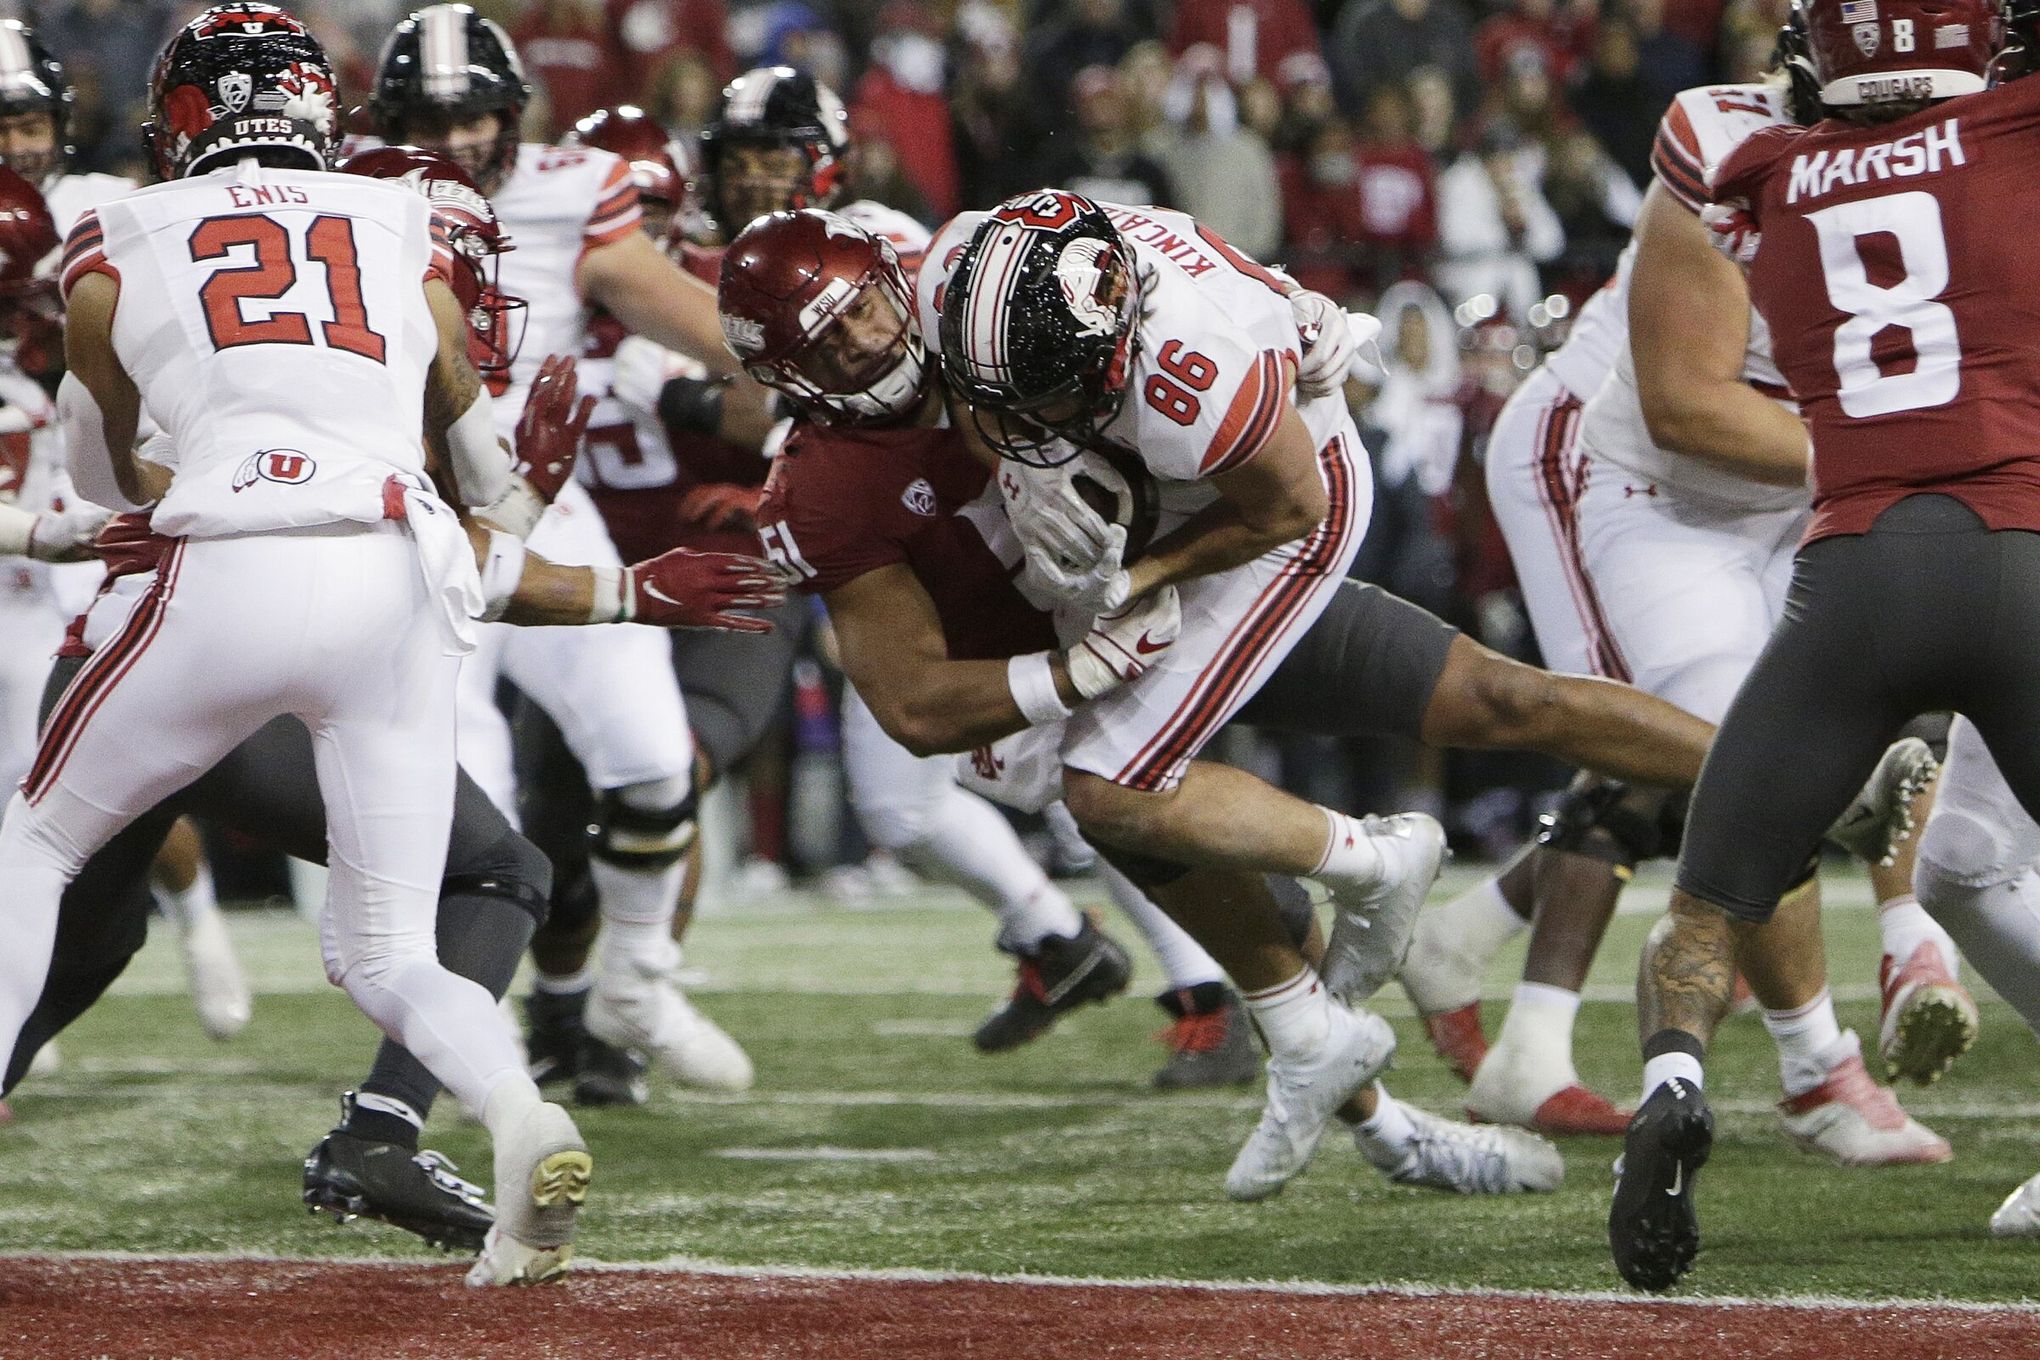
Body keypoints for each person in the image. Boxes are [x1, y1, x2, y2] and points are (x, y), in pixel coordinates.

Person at [728, 207, 1597, 1197]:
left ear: (896, 273)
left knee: (1471, 704)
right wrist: (1073, 673)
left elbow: (1134, 258)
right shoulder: (823, 486)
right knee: (1214, 877)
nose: (869, 341)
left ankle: (1381, 871)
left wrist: (1275, 306)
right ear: (789, 380)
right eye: (828, 343)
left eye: (868, 310)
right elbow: (914, 703)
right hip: (1076, 664)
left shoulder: (970, 296)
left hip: (1204, 576)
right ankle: (1388, 1121)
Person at [2, 5, 594, 1287]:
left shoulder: (114, 232)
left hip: (228, 562)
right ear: (325, 112)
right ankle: (517, 1115)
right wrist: (526, 494)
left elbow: (115, 490)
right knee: (387, 948)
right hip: (392, 571)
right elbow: (485, 469)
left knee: (37, 844)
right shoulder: (407, 218)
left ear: (177, 123)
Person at [1609, 0, 2040, 1290]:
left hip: (1849, 579)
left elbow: (1731, 141)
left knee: (1704, 906)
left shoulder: (1748, 159)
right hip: (2022, 557)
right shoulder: (2015, 129)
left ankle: (1674, 1083)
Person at [357, 3, 778, 1109]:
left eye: (472, 116)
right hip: (401, 520)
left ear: (514, 114)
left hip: (546, 505)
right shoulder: (345, 189)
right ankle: (463, 1029)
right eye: (428, 118)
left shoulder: (571, 187)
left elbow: (693, 315)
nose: (452, 140)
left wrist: (812, 350)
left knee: (649, 755)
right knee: (470, 799)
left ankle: (636, 985)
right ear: (389, 120)